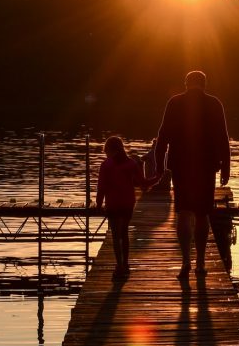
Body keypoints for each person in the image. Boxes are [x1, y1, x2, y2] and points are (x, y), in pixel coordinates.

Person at [154, 70, 231, 280]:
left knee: (184, 212)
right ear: (204, 84)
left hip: (180, 165)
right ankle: (201, 262)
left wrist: (159, 165)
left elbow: (163, 135)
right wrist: (226, 167)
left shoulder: (174, 102)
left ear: (186, 83)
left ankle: (186, 260)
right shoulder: (214, 104)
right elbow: (222, 137)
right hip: (206, 166)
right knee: (202, 213)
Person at [96, 136, 159, 278]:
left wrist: (99, 205)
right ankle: (125, 264)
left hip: (113, 204)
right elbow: (142, 183)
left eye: (107, 152)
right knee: (123, 233)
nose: (106, 155)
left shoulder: (106, 165)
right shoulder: (131, 164)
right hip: (127, 203)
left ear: (111, 151)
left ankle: (119, 266)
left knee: (115, 235)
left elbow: (102, 187)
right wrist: (157, 178)